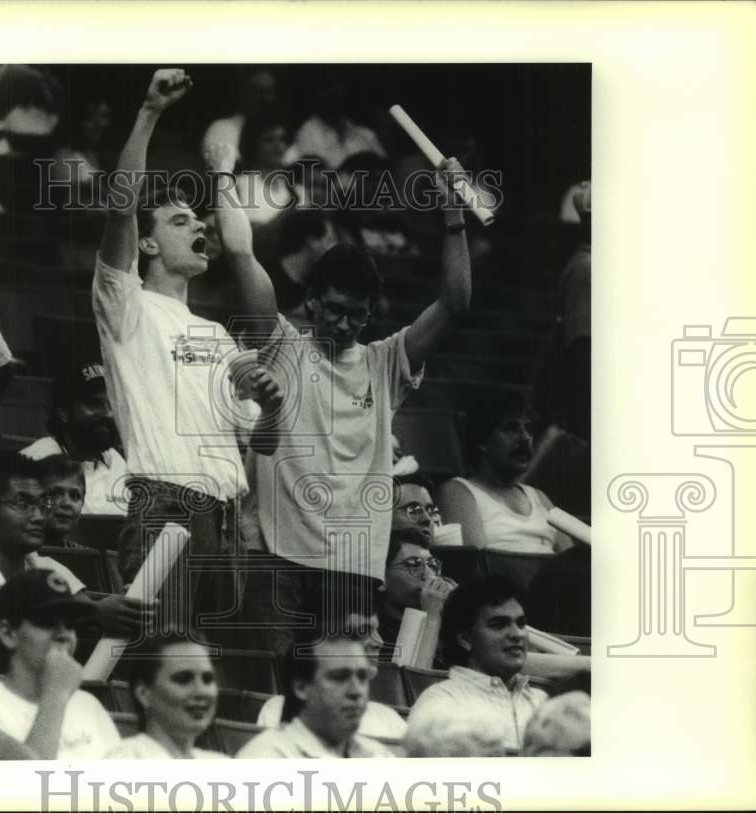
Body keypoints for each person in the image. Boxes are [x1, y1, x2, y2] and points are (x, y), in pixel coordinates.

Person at [224, 148, 471, 656]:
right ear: (312, 300)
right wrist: (222, 174)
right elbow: (241, 255)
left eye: (356, 315)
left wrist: (453, 217)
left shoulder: (385, 362)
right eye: (334, 310)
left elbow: (454, 303)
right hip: (277, 557)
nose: (343, 324)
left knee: (342, 693)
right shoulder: (281, 345)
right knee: (270, 687)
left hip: (353, 564)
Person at [92, 69, 284, 638]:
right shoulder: (125, 305)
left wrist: (271, 406)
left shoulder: (218, 335)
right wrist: (150, 111)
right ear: (148, 243)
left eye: (199, 220)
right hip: (165, 509)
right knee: (159, 665)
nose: (199, 225)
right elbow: (121, 208)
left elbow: (263, 444)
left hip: (227, 525)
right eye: (180, 221)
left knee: (206, 678)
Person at [0, 450, 152, 638]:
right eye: (22, 504)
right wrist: (94, 614)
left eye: (42, 505)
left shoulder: (48, 567)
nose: (37, 517)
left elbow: (86, 606)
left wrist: (126, 609)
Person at [404, 576, 548, 756]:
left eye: (520, 623)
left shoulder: (543, 702)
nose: (516, 634)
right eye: (498, 625)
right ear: (465, 639)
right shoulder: (440, 704)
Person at [0, 569, 121, 759]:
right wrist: (55, 696)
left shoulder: (88, 705)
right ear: (8, 634)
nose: (63, 634)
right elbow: (28, 786)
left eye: (70, 624)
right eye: (47, 621)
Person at [437, 388, 572, 553]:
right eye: (511, 428)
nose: (525, 438)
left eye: (528, 429)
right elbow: (476, 569)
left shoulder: (539, 497)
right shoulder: (457, 492)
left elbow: (570, 560)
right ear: (483, 440)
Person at [237, 628, 393, 758]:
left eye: (362, 677)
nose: (356, 691)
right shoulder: (265, 759)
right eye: (339, 677)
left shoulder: (380, 756)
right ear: (301, 688)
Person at [255, 613, 407, 740]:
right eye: (363, 631)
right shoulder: (276, 709)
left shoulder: (388, 718)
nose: (379, 642)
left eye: (361, 677)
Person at [21, 362, 128, 516]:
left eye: (111, 404)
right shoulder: (35, 460)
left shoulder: (118, 462)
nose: (108, 414)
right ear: (63, 410)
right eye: (94, 403)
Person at [105, 631, 226, 759]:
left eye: (208, 679)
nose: (201, 691)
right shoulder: (126, 759)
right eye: (183, 679)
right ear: (143, 693)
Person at [376, 527, 454, 665]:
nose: (429, 574)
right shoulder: (374, 632)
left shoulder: (447, 622)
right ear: (382, 577)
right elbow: (411, 681)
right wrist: (432, 616)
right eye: (414, 564)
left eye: (431, 564)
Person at [234, 111, 295, 226]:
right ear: (253, 144)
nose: (278, 146)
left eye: (282, 139)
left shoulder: (293, 186)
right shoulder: (240, 185)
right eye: (269, 140)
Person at [201, 68, 278, 157]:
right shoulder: (222, 129)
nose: (264, 98)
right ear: (243, 94)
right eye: (256, 91)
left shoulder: (281, 132)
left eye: (268, 91)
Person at [36, 453, 89, 549]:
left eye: (75, 496)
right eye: (55, 494)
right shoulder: (17, 554)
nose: (67, 503)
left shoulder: (86, 556)